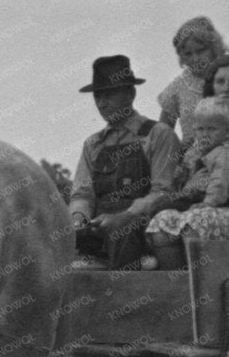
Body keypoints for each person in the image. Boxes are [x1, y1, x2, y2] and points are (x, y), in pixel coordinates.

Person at [68, 54, 180, 270]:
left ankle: (125, 297)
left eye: (109, 94)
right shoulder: (93, 144)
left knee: (123, 230)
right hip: (99, 230)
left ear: (130, 93)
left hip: (140, 228)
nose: (101, 103)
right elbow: (82, 194)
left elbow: (163, 192)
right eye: (97, 96)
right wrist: (78, 219)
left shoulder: (158, 135)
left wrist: (123, 217)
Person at [143, 96, 229, 269]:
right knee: (156, 206)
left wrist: (209, 203)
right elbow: (185, 171)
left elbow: (220, 181)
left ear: (227, 131)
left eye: (212, 129)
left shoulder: (224, 153)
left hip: (204, 199)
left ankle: (149, 255)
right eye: (200, 129)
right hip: (190, 195)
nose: (205, 134)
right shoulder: (198, 151)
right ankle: (152, 253)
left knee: (160, 206)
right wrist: (182, 170)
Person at [158, 15, 229, 143]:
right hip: (192, 158)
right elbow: (162, 135)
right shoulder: (177, 88)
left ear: (214, 48)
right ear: (181, 57)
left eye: (200, 51)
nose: (195, 59)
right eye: (188, 54)